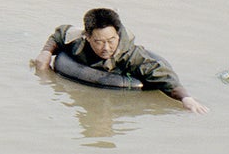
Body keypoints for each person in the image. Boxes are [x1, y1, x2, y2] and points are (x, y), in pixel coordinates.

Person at [33, 7, 205, 112]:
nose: (106, 48)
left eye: (111, 40)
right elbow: (59, 34)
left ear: (118, 35)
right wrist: (46, 53)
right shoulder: (77, 41)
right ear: (88, 37)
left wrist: (186, 99)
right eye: (99, 42)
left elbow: (160, 73)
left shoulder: (130, 54)